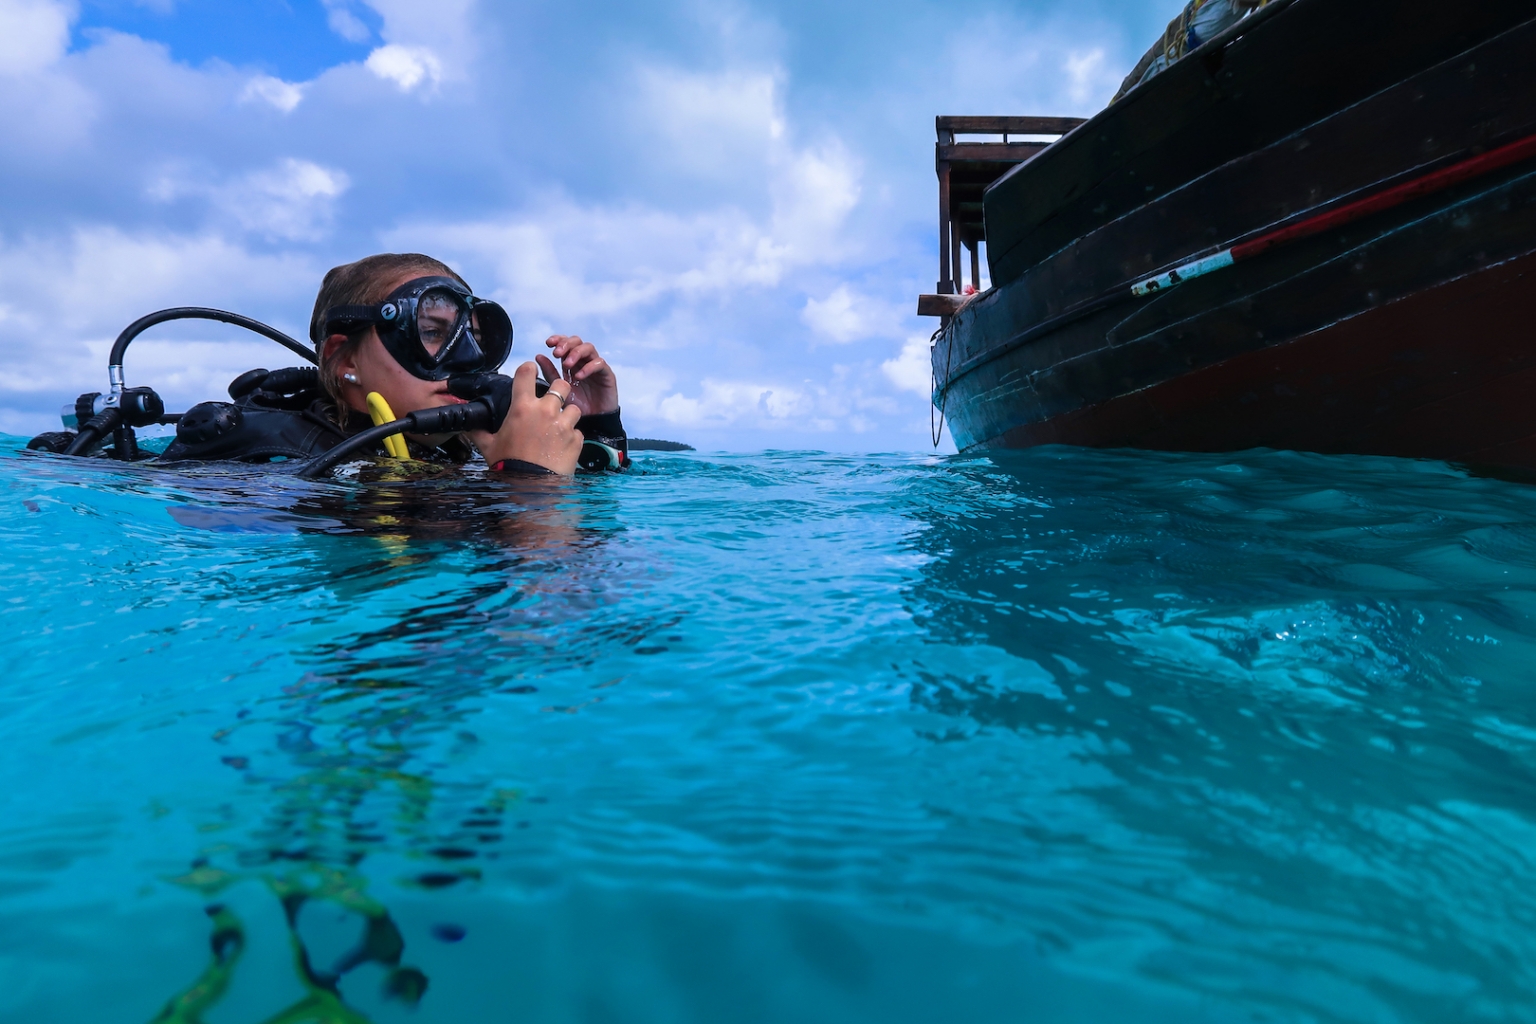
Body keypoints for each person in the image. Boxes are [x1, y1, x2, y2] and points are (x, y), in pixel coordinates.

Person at [152, 252, 630, 475]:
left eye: (473, 338)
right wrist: (528, 485)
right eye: (432, 332)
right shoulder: (277, 463)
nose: (466, 360)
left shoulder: (451, 453)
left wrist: (595, 427)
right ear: (344, 358)